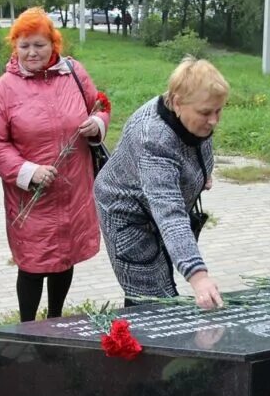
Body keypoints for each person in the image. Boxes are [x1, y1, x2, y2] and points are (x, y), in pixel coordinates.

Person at [0, 8, 110, 322]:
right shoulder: (5, 88)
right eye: (24, 45)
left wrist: (96, 123)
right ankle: (28, 328)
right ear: (15, 47)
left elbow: (100, 105)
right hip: (31, 195)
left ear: (53, 44)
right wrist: (27, 171)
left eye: (39, 44)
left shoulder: (74, 73)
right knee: (32, 264)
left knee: (64, 260)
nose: (31, 52)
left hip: (72, 188)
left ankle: (55, 321)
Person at [94, 56, 228, 310]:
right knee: (154, 297)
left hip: (153, 208)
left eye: (218, 111)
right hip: (128, 216)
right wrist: (198, 277)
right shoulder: (153, 137)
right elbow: (169, 213)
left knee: (162, 281)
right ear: (177, 102)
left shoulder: (192, 109)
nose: (213, 121)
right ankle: (132, 342)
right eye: (205, 113)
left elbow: (195, 148)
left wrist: (201, 175)